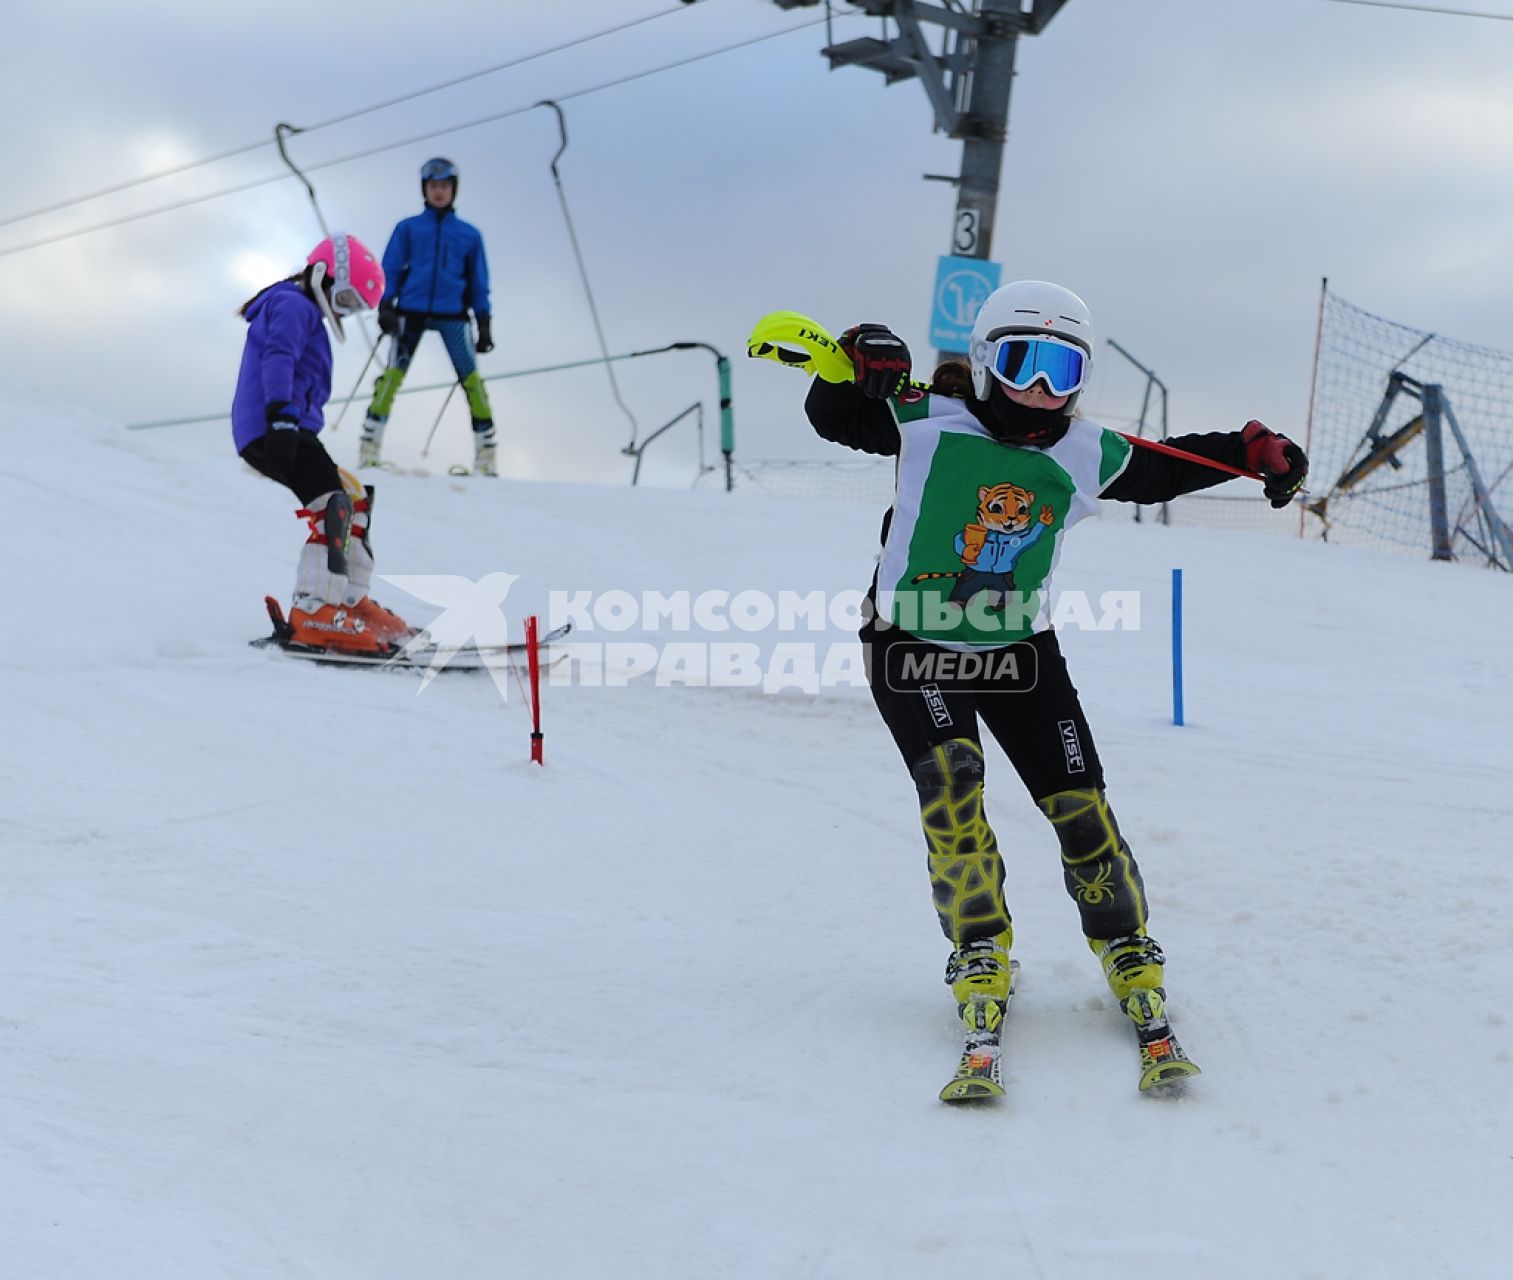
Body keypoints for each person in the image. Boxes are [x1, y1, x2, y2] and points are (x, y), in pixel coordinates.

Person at [804, 279, 1307, 1077]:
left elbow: (1166, 466)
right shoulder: (923, 418)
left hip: (1018, 650)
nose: (1040, 391)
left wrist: (1249, 448)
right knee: (952, 786)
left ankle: (1125, 941)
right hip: (911, 643)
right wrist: (853, 360)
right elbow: (834, 415)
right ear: (984, 361)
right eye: (1022, 364)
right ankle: (978, 948)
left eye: (1061, 373)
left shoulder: (1083, 451)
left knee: (1077, 803)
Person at [233, 233, 416, 653]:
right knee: (331, 507)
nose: (344, 310)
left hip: (289, 426)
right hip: (274, 426)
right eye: (346, 298)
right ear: (322, 273)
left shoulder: (304, 311)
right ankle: (314, 611)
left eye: (354, 307)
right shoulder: (293, 305)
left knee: (352, 499)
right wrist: (280, 417)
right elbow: (278, 356)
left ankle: (349, 604)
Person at [358, 157, 498, 475]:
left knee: (472, 382)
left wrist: (484, 322)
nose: (439, 192)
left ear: (453, 190)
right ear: (425, 189)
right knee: (391, 378)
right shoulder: (408, 228)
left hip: (453, 314)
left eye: (445, 186)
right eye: (433, 186)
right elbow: (390, 268)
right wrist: (385, 305)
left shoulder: (469, 235)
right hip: (410, 310)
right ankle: (369, 447)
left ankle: (486, 455)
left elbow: (479, 281)